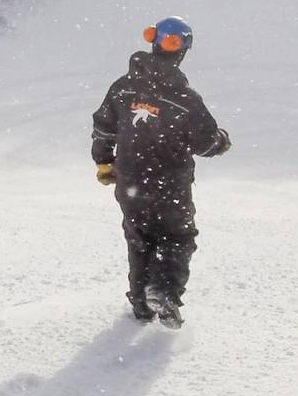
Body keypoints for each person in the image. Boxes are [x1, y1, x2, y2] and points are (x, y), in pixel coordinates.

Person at [91, 16, 231, 329]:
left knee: (140, 239)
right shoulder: (185, 99)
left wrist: (104, 161)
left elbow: (103, 125)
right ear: (183, 52)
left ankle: (141, 305)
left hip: (129, 181)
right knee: (178, 238)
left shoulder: (124, 87)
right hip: (170, 186)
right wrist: (222, 140)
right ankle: (164, 293)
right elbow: (206, 143)